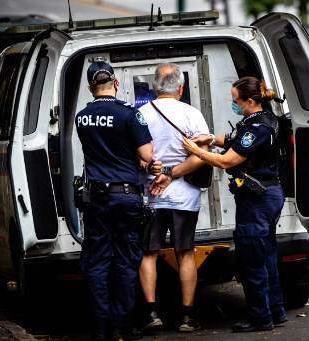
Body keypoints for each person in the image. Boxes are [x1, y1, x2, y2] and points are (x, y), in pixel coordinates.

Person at [182, 76, 287, 332]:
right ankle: (276, 310)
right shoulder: (263, 119)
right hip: (268, 194)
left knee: (251, 260)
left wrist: (196, 152)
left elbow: (227, 161)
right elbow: (232, 139)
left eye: (236, 101)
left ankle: (260, 318)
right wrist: (208, 138)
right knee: (267, 255)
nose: (233, 104)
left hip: (257, 200)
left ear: (250, 101)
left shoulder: (256, 129)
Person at [75, 61, 158, 341]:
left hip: (96, 199)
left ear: (90, 88)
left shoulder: (82, 117)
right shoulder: (129, 114)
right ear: (116, 83)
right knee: (125, 261)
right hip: (126, 197)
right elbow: (147, 155)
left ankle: (100, 329)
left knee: (97, 262)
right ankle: (121, 328)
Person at [138, 62, 209, 333]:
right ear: (181, 87)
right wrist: (173, 173)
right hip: (184, 197)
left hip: (150, 196)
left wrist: (154, 169)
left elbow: (133, 154)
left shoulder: (141, 114)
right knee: (186, 253)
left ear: (155, 86)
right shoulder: (192, 114)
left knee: (148, 254)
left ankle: (150, 313)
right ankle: (187, 317)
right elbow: (201, 155)